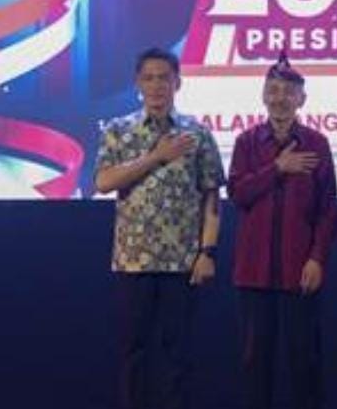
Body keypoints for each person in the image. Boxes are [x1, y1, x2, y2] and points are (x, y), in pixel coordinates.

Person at [95, 47, 224, 409]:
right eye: (148, 78)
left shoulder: (197, 133)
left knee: (177, 356)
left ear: (177, 83)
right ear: (137, 83)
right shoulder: (118, 130)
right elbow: (103, 182)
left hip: (181, 263)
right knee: (133, 353)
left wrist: (207, 252)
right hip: (133, 261)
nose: (156, 85)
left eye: (164, 78)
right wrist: (156, 157)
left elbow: (211, 199)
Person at [226, 51, 337, 409]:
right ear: (263, 95)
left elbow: (328, 210)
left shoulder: (317, 144)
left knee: (304, 363)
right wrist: (277, 168)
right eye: (273, 90)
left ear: (302, 99)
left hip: (299, 271)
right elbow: (238, 194)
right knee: (254, 364)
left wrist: (317, 259)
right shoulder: (246, 142)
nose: (280, 98)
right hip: (253, 273)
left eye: (289, 92)